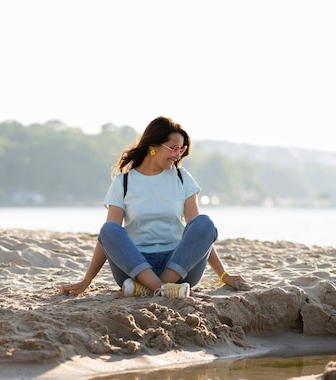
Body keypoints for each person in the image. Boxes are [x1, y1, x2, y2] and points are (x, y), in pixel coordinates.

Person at [60, 116, 246, 298]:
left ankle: (149, 288)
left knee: (204, 223)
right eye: (173, 148)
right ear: (153, 147)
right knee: (108, 229)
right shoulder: (123, 182)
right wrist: (87, 280)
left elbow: (198, 236)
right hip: (135, 267)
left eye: (182, 149)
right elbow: (108, 239)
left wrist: (224, 275)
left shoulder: (183, 179)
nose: (178, 154)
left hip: (178, 267)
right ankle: (164, 289)